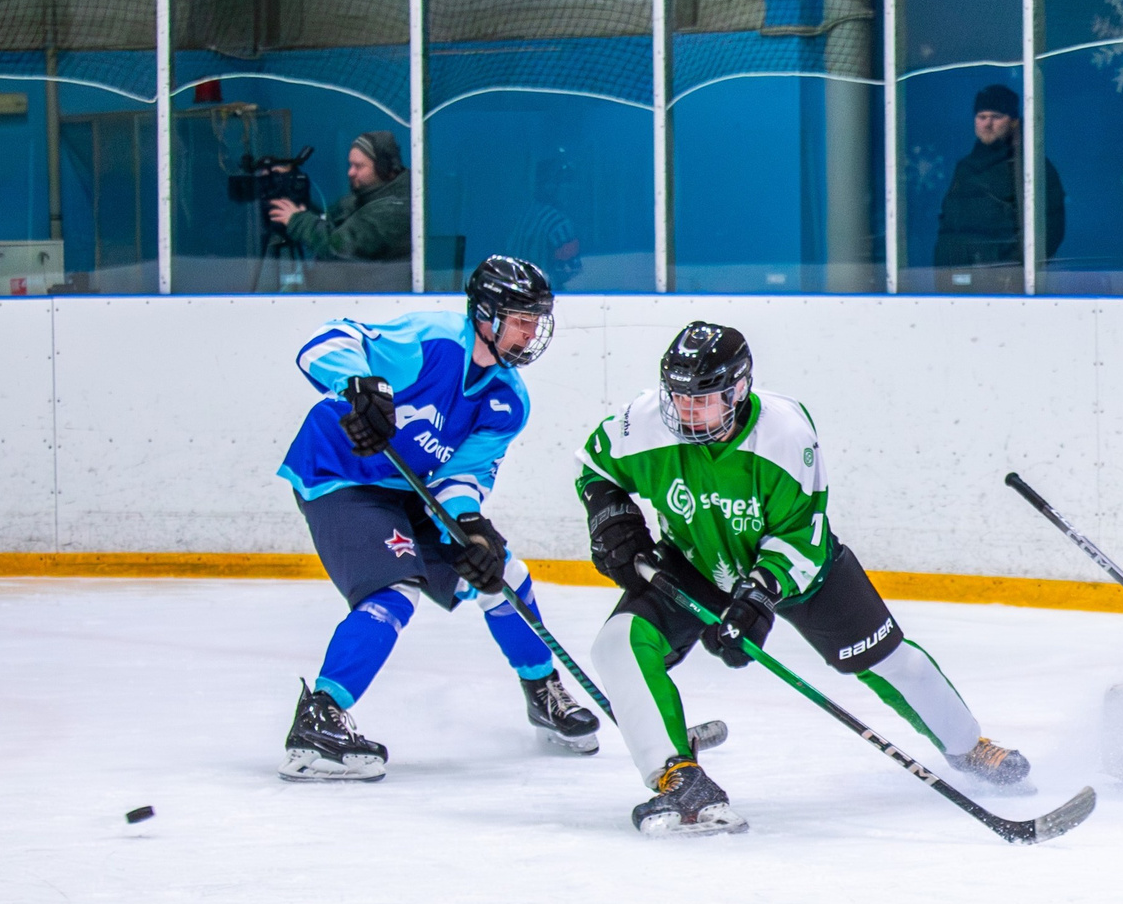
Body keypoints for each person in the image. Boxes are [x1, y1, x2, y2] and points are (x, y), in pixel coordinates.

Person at [577, 321, 1034, 835]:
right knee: (618, 644)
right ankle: (677, 774)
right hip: (693, 561)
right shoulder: (642, 423)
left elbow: (800, 535)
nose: (684, 412)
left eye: (701, 400)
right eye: (677, 398)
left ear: (738, 390)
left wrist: (757, 599)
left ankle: (969, 746)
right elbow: (594, 468)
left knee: (893, 663)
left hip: (797, 572)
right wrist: (611, 518)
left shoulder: (786, 434)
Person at [273, 255, 597, 780]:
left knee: (503, 574)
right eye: (521, 320)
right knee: (394, 590)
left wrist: (471, 528)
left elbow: (458, 479)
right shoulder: (432, 341)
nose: (531, 333)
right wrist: (360, 386)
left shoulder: (507, 401)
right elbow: (324, 344)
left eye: (536, 322)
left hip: (410, 490)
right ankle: (320, 716)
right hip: (341, 474)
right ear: (486, 316)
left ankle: (543, 691)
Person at [930, 83, 1065, 291]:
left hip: (1010, 287)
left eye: (995, 117)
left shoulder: (1030, 167)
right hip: (959, 285)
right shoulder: (964, 169)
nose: (987, 124)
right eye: (981, 117)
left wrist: (1013, 271)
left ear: (1013, 122)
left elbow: (1050, 225)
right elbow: (948, 226)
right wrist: (945, 271)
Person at [269, 132, 411, 267]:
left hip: (376, 291)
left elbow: (338, 247)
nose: (350, 172)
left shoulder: (393, 210)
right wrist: (289, 184)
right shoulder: (363, 198)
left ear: (384, 169)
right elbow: (327, 223)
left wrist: (298, 221)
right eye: (351, 165)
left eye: (359, 166)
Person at [506, 157, 583, 291]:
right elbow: (570, 271)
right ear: (552, 186)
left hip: (517, 295)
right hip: (542, 297)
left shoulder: (524, 217)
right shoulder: (560, 225)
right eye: (566, 182)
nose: (572, 189)